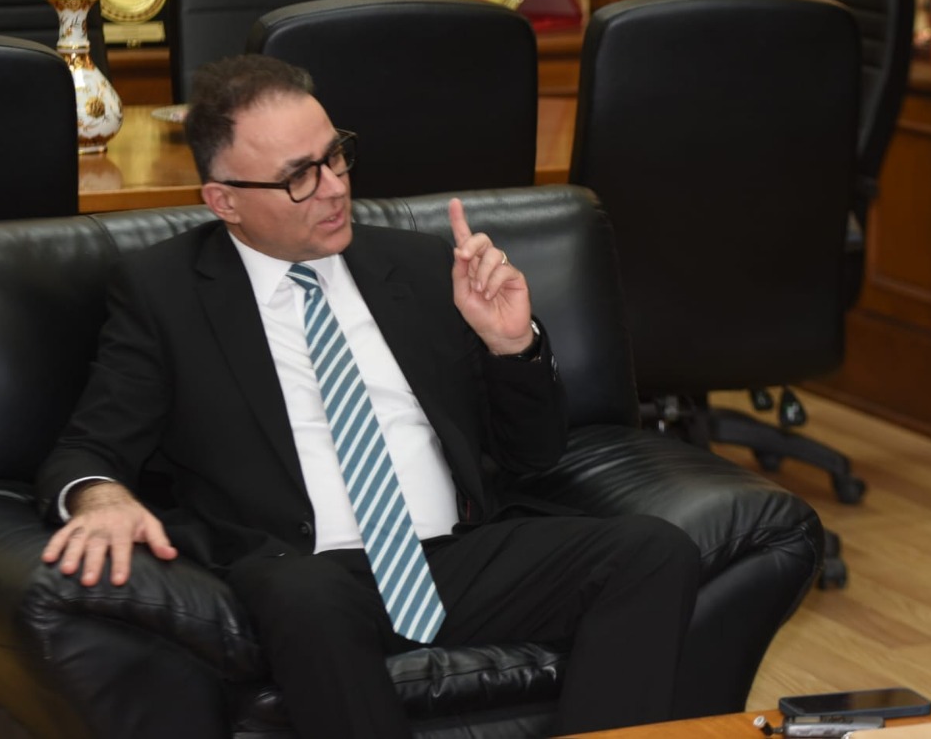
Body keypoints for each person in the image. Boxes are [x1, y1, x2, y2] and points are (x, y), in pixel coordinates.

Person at [37, 54, 701, 738]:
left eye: (335, 157)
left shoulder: (419, 266)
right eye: (299, 175)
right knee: (305, 594)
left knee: (653, 551)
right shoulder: (165, 292)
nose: (333, 188)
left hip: (451, 554)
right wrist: (101, 498)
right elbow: (89, 446)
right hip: (309, 571)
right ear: (224, 200)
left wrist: (513, 346)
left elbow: (533, 456)